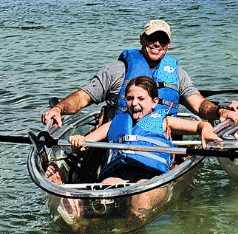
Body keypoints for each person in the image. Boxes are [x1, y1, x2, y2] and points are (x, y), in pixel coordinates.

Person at [41, 19, 238, 127]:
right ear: (142, 39)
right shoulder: (116, 70)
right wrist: (58, 108)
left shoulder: (178, 75)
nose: (157, 44)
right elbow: (83, 97)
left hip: (162, 141)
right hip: (116, 140)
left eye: (162, 40)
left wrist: (219, 111)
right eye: (152, 38)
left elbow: (199, 104)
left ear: (168, 45)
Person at [67, 76, 221, 184]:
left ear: (154, 102)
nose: (134, 103)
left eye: (141, 99)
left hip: (150, 172)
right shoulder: (115, 122)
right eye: (129, 98)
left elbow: (200, 125)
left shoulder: (164, 120)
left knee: (142, 192)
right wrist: (78, 141)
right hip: (118, 170)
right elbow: (85, 143)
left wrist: (206, 130)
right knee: (108, 186)